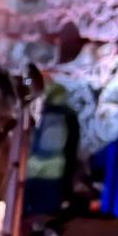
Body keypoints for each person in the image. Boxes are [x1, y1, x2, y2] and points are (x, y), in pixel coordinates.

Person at [24, 80, 80, 216]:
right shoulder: (65, 117)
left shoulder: (55, 118)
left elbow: (49, 148)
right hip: (51, 177)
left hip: (42, 177)